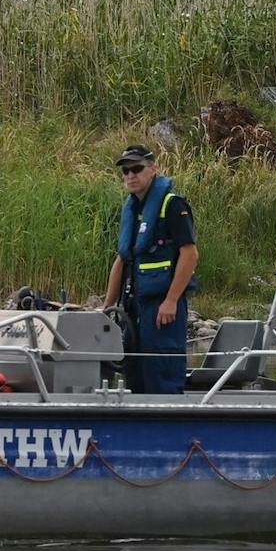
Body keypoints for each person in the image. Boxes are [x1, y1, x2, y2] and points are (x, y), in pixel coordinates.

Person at [104, 144, 198, 393]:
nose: (131, 175)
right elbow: (122, 259)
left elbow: (190, 255)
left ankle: (168, 423)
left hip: (161, 308)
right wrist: (106, 309)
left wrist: (171, 300)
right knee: (135, 373)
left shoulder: (173, 206)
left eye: (137, 168)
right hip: (133, 306)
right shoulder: (134, 210)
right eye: (125, 171)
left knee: (162, 372)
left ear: (153, 169)